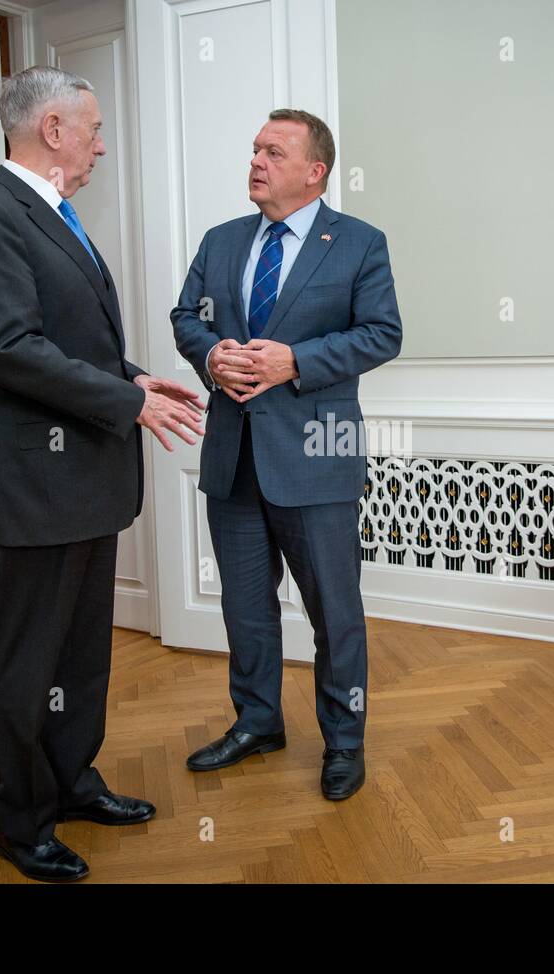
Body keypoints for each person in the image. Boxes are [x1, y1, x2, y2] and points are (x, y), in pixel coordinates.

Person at [0, 66, 205, 882]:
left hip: (85, 481)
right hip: (36, 488)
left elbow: (70, 345)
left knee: (82, 657)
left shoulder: (56, 214)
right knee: (26, 664)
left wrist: (129, 378)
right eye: (91, 129)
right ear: (51, 131)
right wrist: (124, 406)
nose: (99, 144)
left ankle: (70, 783)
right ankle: (20, 823)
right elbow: (7, 348)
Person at [171, 109, 402, 800]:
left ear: (315, 170)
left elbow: (382, 334)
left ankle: (345, 743)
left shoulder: (359, 243)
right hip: (232, 456)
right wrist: (210, 354)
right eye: (254, 149)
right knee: (245, 606)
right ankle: (258, 721)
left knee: (334, 612)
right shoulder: (221, 242)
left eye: (275, 151)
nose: (257, 161)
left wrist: (295, 361)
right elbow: (188, 317)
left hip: (316, 457)